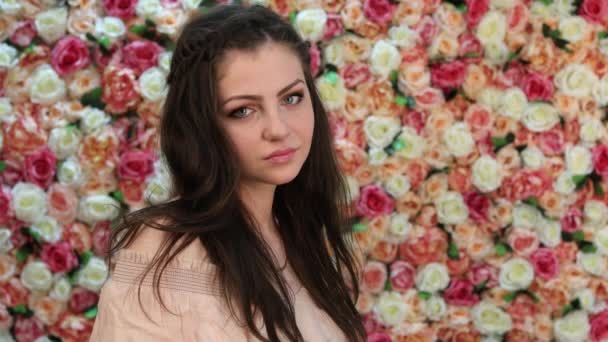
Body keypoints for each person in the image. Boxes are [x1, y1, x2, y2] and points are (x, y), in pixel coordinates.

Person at [89, 3, 367, 342]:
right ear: (201, 125)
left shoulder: (292, 231)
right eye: (243, 110)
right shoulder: (162, 254)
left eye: (291, 98)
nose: (278, 128)